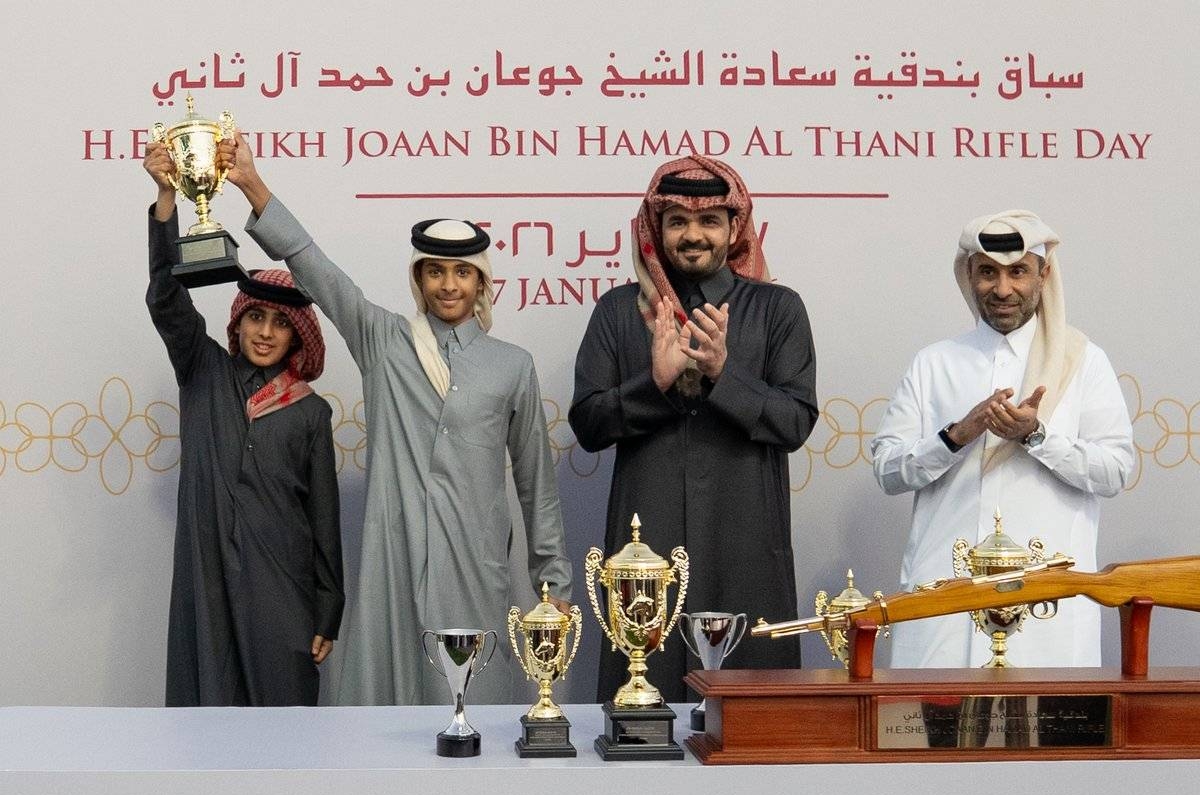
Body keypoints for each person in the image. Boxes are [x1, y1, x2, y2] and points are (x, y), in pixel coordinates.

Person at [214, 135, 573, 706]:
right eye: (435, 272)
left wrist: (552, 583)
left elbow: (536, 485)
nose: (448, 285)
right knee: (387, 718)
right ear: (419, 279)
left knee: (476, 716)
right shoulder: (384, 340)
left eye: (461, 273)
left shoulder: (513, 366)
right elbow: (317, 270)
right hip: (393, 556)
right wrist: (254, 187)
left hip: (474, 562)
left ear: (481, 281)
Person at [569, 156, 818, 702]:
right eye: (677, 220)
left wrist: (723, 375)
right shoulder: (618, 312)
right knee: (640, 726)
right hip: (645, 546)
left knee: (752, 725)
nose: (693, 235)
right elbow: (587, 425)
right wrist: (653, 385)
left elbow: (795, 421)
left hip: (745, 546)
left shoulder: (778, 310)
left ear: (735, 229)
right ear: (655, 231)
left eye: (708, 221)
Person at [871, 209, 1134, 668]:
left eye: (1018, 272)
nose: (1003, 289)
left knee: (1050, 736)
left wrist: (1036, 435)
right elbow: (889, 472)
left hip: (1049, 607)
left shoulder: (1084, 361)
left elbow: (1114, 471)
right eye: (988, 272)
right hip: (946, 604)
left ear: (1043, 274)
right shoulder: (935, 363)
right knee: (933, 735)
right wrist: (958, 435)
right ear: (968, 275)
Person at [143, 142, 344, 706]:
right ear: (238, 322)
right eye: (255, 316)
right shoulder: (202, 370)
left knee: (284, 727)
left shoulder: (309, 410)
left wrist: (328, 608)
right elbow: (166, 298)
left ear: (297, 335)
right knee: (204, 720)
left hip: (279, 586)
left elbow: (323, 519)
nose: (264, 332)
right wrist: (165, 199)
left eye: (280, 323)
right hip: (206, 581)